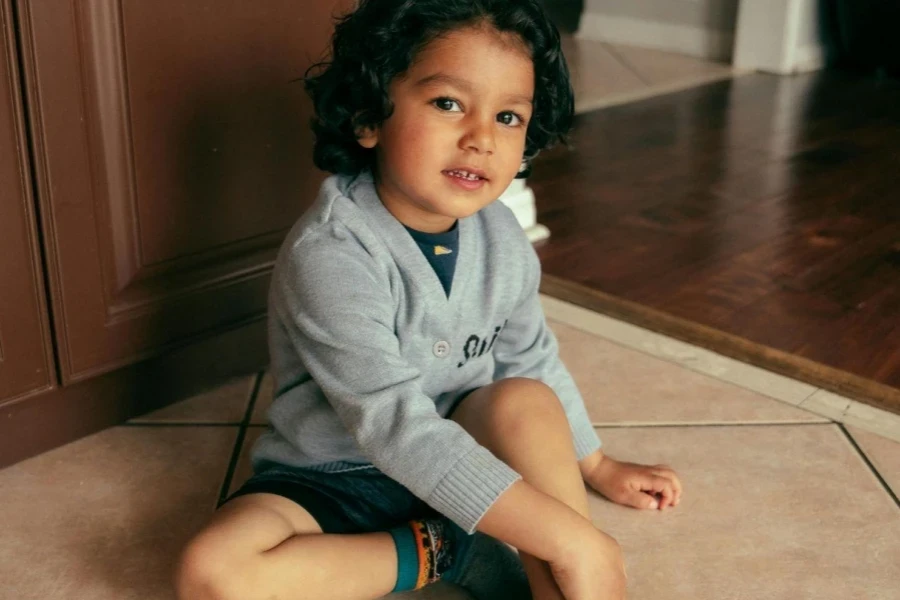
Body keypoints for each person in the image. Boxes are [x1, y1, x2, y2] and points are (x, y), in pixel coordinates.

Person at [174, 1, 683, 599]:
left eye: (510, 116)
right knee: (211, 572)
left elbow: (530, 357)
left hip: (468, 450)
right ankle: (445, 549)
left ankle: (560, 585)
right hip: (336, 476)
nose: (481, 138)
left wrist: (594, 465)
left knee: (525, 397)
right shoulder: (332, 252)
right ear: (370, 118)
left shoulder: (504, 240)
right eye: (448, 104)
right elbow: (391, 427)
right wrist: (572, 538)